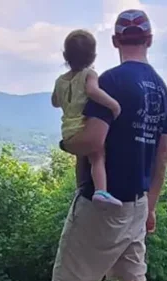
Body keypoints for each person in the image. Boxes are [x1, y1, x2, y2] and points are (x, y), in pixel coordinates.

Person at [51, 9, 167, 281]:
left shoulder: (111, 82)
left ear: (116, 41)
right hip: (137, 201)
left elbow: (92, 140)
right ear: (148, 40)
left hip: (101, 202)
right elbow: (162, 155)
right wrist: (150, 206)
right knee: (135, 276)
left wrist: (65, 144)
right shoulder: (162, 91)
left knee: (72, 279)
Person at [52, 29, 123, 207]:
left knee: (80, 157)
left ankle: (81, 188)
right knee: (97, 155)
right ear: (93, 56)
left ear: (65, 56)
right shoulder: (89, 75)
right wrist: (114, 105)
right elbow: (92, 91)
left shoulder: (60, 81)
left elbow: (54, 102)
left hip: (68, 131)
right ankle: (101, 191)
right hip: (83, 127)